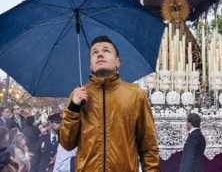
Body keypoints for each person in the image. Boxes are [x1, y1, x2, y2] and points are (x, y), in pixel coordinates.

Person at [59, 35, 160, 172]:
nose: (100, 54)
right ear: (90, 64)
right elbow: (67, 143)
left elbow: (148, 145)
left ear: (118, 62)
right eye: (95, 52)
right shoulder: (78, 95)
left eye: (106, 50)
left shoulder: (135, 95)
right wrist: (73, 107)